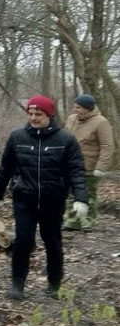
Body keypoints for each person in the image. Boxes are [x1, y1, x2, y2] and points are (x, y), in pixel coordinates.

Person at [0, 95, 88, 300]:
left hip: (53, 199)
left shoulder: (65, 139)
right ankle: (17, 284)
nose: (34, 118)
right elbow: (6, 167)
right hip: (24, 198)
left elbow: (76, 171)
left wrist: (81, 198)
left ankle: (54, 284)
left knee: (52, 240)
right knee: (23, 241)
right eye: (30, 113)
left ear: (49, 115)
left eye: (39, 114)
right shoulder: (17, 137)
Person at [61, 95, 113, 232]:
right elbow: (64, 138)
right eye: (75, 107)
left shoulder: (101, 122)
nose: (75, 109)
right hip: (71, 163)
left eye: (78, 107)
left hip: (89, 165)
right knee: (72, 193)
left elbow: (107, 146)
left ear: (87, 108)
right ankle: (73, 221)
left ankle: (88, 221)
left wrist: (101, 166)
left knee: (89, 194)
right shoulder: (71, 119)